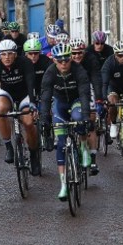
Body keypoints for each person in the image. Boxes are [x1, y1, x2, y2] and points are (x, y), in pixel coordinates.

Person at [40, 43, 96, 200]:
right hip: (60, 104)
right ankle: (64, 185)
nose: (63, 63)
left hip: (76, 101)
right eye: (60, 61)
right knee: (62, 144)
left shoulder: (79, 71)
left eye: (66, 60)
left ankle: (84, 147)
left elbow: (85, 94)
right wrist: (44, 118)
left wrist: (86, 117)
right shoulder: (50, 73)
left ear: (71, 59)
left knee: (79, 119)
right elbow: (45, 97)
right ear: (54, 61)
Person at [0, 39, 41, 175]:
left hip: (24, 94)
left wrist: (33, 103)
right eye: (3, 54)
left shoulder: (25, 62)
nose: (7, 57)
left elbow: (31, 83)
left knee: (29, 123)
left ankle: (34, 155)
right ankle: (8, 147)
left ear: (15, 54)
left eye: (10, 54)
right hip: (7, 94)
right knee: (0, 111)